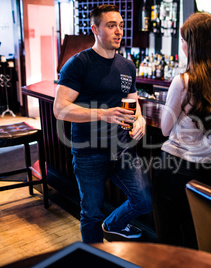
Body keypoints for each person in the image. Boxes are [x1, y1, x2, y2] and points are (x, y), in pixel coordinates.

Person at [53, 4, 152, 243]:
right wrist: (102, 114)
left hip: (123, 150)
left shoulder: (127, 65)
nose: (118, 31)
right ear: (95, 28)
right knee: (91, 215)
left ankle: (115, 223)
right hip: (89, 153)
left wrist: (140, 119)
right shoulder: (79, 63)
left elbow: (133, 102)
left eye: (120, 25)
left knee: (145, 200)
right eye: (111, 25)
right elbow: (60, 109)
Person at [152, 12, 211, 248]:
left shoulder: (183, 81)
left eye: (184, 39)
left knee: (168, 239)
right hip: (203, 171)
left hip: (172, 168)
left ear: (194, 44)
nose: (181, 45)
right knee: (193, 238)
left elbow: (165, 128)